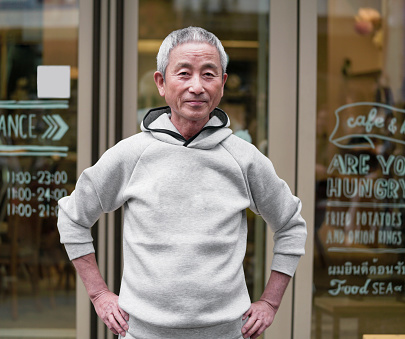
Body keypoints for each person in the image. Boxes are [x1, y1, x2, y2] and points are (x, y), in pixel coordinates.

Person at [57, 26, 307, 339]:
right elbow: (72, 217)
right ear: (161, 82)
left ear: (223, 83)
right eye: (184, 73)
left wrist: (270, 301)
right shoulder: (132, 154)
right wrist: (98, 294)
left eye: (209, 74)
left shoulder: (244, 159)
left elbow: (291, 226)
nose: (197, 87)